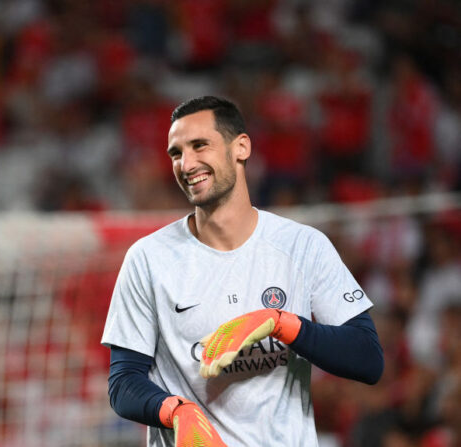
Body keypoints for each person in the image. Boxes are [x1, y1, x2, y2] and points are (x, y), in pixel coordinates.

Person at [101, 96, 384, 446]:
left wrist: (282, 323)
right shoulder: (148, 258)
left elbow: (368, 359)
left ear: (241, 147)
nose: (186, 164)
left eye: (199, 146)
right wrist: (175, 411)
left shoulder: (303, 246)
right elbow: (123, 381)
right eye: (176, 153)